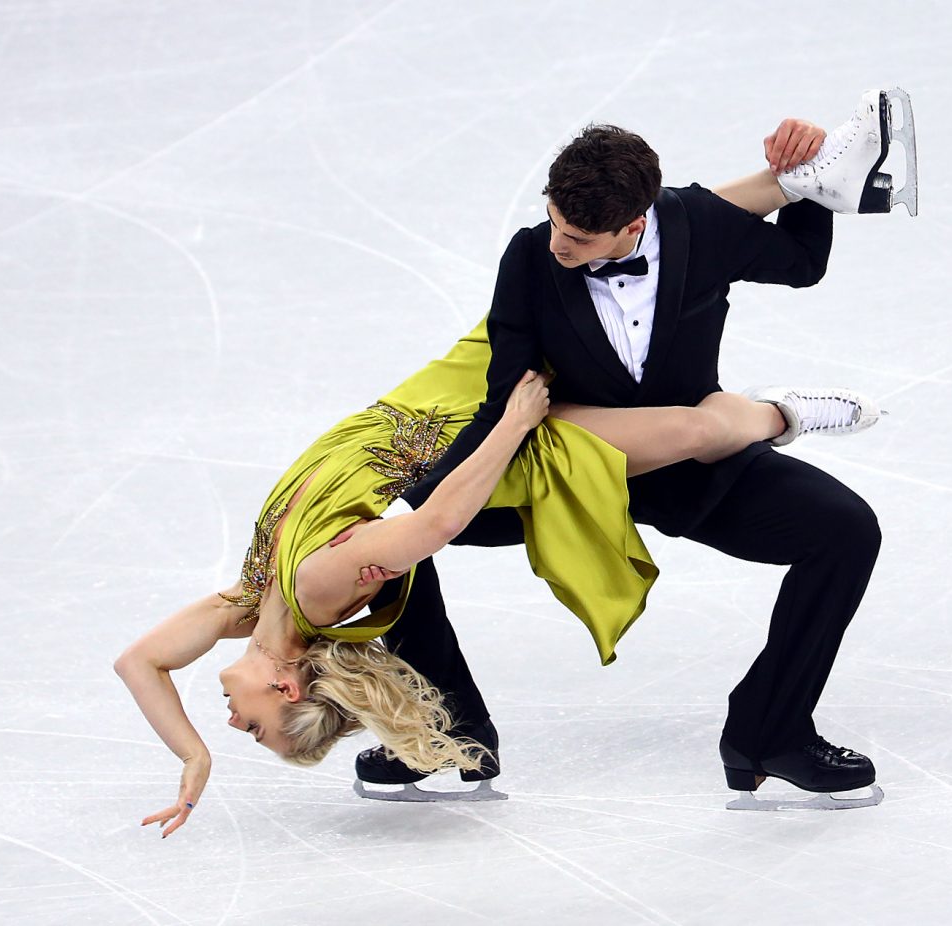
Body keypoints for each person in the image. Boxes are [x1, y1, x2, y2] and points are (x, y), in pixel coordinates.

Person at [114, 307, 877, 835]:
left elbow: (139, 661)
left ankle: (462, 726)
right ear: (287, 684)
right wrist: (513, 426)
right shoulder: (316, 592)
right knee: (700, 436)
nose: (231, 723)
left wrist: (194, 756)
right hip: (502, 448)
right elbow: (438, 522)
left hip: (490, 421)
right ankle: (780, 414)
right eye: (250, 729)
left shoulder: (254, 601)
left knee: (838, 528)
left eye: (243, 732)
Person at [358, 89, 918, 805]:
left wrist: (809, 181)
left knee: (844, 530)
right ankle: (445, 730)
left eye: (581, 240)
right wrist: (435, 490)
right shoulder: (531, 256)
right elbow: (508, 395)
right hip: (560, 471)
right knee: (386, 543)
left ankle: (768, 732)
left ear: (633, 225)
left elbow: (803, 262)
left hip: (683, 470)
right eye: (555, 222)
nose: (560, 245)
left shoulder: (699, 226)